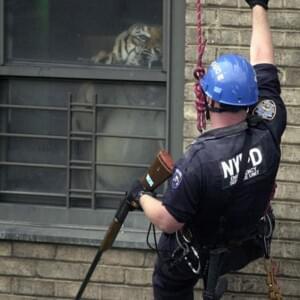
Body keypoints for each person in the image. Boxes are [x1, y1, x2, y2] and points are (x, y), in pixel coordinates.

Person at [128, 0, 287, 299]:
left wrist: (141, 196)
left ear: (211, 102)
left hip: (196, 255)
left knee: (168, 276)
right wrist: (259, 6)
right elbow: (264, 63)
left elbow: (168, 219)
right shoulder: (269, 125)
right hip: (245, 244)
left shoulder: (198, 162)